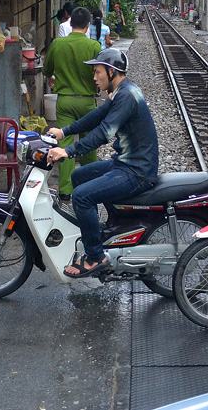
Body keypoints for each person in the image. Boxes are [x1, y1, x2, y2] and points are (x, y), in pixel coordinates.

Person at [47, 48, 158, 279]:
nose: (94, 77)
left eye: (97, 72)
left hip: (137, 171)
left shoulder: (126, 96)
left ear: (112, 71)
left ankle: (96, 257)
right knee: (78, 177)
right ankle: (100, 232)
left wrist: (68, 151)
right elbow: (95, 117)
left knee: (81, 196)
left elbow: (104, 133)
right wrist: (63, 131)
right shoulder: (122, 92)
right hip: (126, 163)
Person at [43, 7, 102, 205]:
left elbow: (47, 70)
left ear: (70, 24)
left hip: (65, 100)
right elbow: (100, 74)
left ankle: (65, 190)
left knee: (65, 144)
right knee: (88, 145)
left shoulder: (58, 44)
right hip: (87, 101)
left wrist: (53, 78)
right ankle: (89, 185)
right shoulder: (94, 46)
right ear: (88, 25)